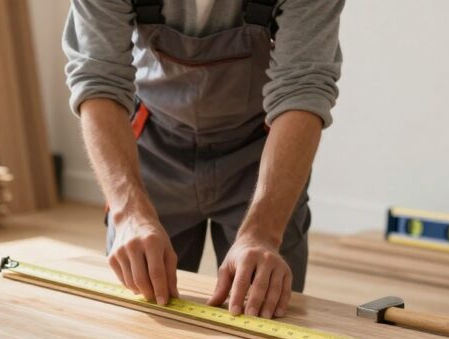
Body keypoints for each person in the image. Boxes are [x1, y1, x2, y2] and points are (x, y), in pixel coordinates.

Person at [63, 0, 343, 317]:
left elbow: (302, 90)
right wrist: (129, 214)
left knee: (264, 317)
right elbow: (99, 80)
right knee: (141, 316)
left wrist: (263, 234)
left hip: (260, 155)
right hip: (152, 152)